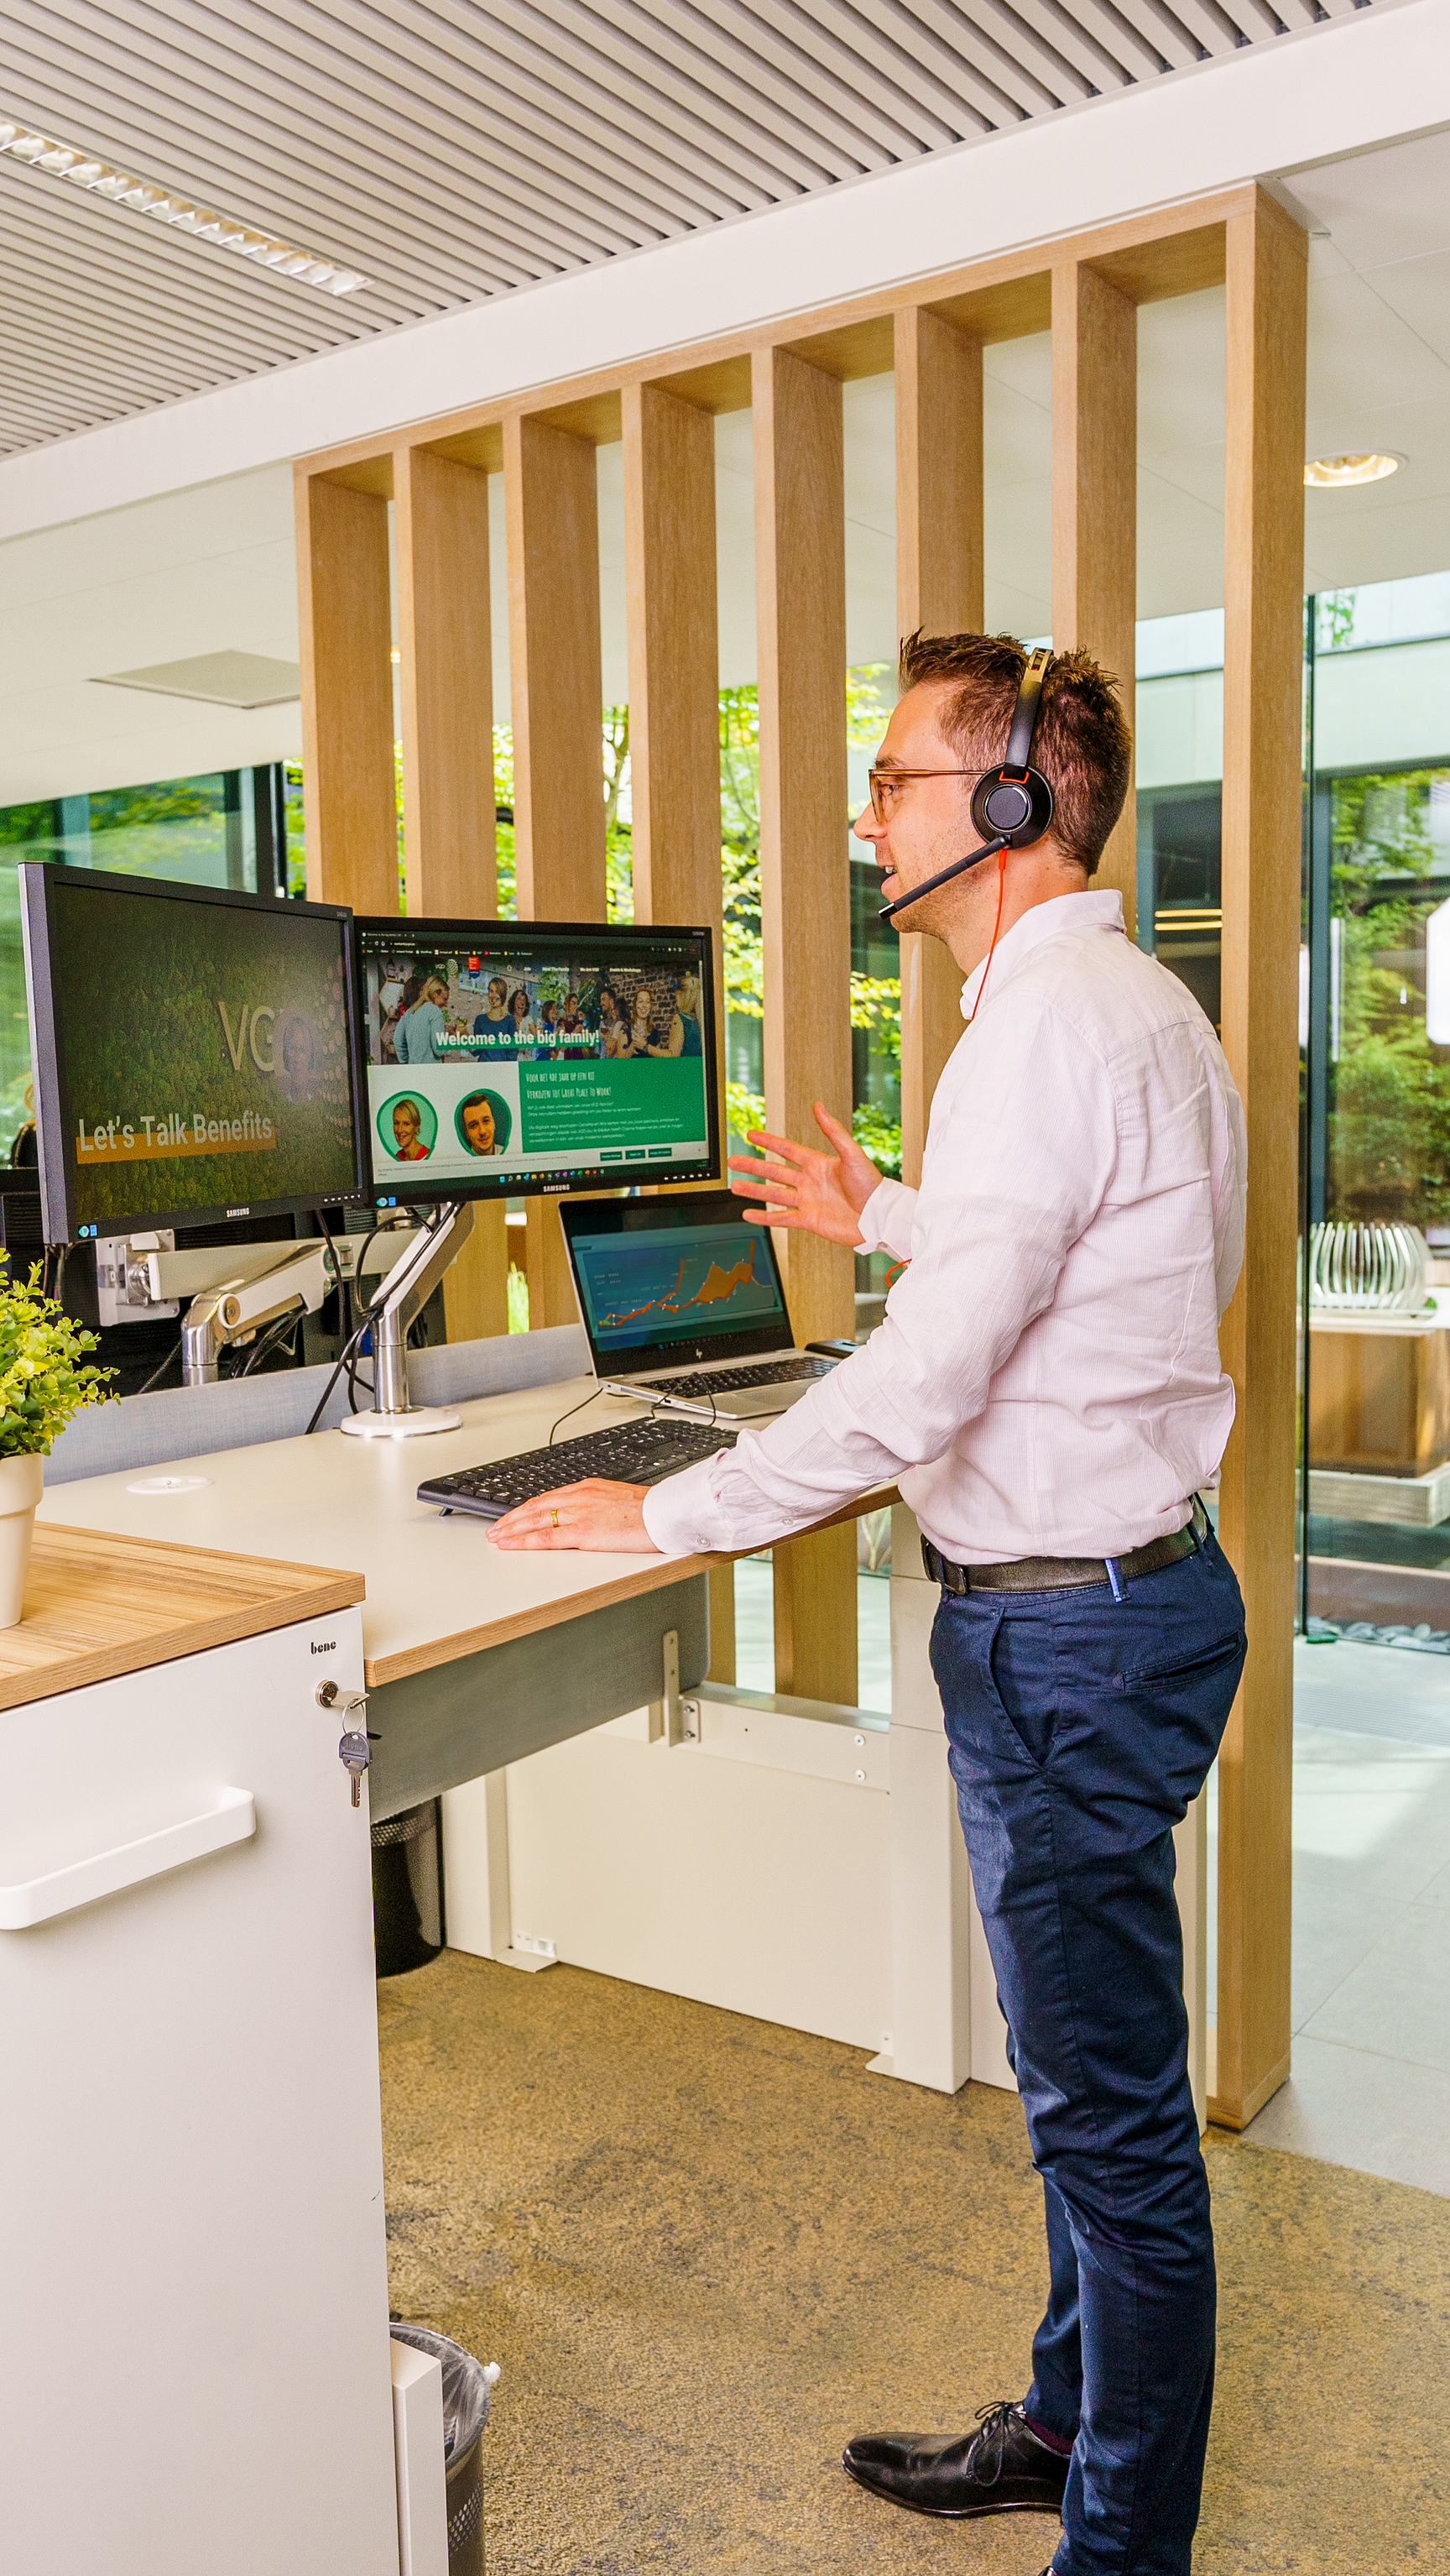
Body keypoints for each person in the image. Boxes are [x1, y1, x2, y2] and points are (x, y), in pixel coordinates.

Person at [486, 630, 1249, 2576]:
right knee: (1092, 2093)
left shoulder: (1040, 1030)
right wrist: (883, 1214)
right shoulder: (1112, 1005)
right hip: (1113, 1606)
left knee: (1113, 2135)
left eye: (892, 778)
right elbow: (1059, 1259)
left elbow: (923, 1382)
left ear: (998, 809)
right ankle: (1064, 2424)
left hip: (1065, 1632)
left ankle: (1114, 2544)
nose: (861, 812)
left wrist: (668, 1512)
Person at [393, 970, 449, 1063]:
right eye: (445, 999)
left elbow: (398, 1039)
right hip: (431, 1071)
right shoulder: (434, 1011)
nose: (446, 1003)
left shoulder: (410, 1012)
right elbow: (439, 1050)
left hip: (414, 1070)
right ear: (435, 994)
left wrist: (406, 1061)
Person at [471, 975, 516, 1062]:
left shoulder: (510, 1020)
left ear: (503, 995)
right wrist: (463, 1034)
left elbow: (513, 1051)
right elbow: (476, 1051)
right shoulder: (480, 1020)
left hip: (503, 1069)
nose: (494, 995)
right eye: (491, 991)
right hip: (484, 1069)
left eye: (497, 992)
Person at [457, 1092, 499, 1157]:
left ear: (494, 1123)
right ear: (467, 1133)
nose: (482, 1131)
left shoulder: (509, 1153)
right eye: (474, 1125)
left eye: (486, 1121)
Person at [389, 1096, 430, 1162]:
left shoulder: (427, 1155)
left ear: (416, 1127)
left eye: (406, 1124)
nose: (399, 1130)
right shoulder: (398, 1156)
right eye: (396, 1123)